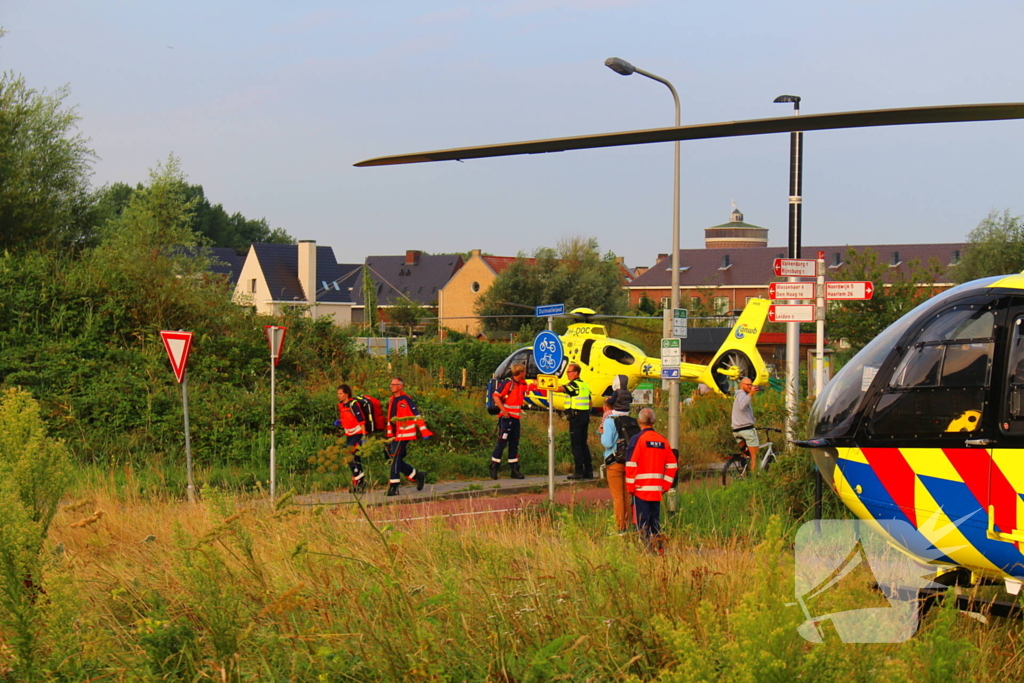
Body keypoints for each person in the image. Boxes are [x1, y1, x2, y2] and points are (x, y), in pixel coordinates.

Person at [625, 408, 677, 551]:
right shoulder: (662, 441)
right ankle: (659, 549)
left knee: (642, 523)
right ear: (653, 421)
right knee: (655, 522)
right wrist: (665, 486)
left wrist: (630, 488)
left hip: (641, 490)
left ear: (639, 421)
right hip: (657, 490)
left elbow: (630, 465)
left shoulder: (637, 440)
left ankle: (646, 550)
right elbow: (672, 465)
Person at [385, 377, 432, 496]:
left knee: (395, 458)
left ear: (401, 386)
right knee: (395, 459)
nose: (392, 386)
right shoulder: (391, 400)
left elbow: (416, 416)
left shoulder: (406, 400)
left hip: (404, 434)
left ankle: (394, 487)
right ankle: (417, 475)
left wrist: (424, 430)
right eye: (391, 384)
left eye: (394, 384)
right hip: (394, 435)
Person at [600, 397, 633, 534]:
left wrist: (601, 433)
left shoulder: (609, 421)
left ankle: (620, 528)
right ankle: (629, 524)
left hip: (614, 461)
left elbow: (607, 443)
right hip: (628, 461)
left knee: (617, 496)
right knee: (626, 495)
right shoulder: (630, 420)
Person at [490, 362, 527, 480]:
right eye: (524, 372)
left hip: (516, 419)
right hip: (506, 418)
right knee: (502, 443)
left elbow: (530, 388)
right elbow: (496, 395)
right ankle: (494, 466)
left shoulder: (522, 384)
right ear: (520, 373)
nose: (525, 373)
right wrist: (503, 410)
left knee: (514, 444)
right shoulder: (508, 383)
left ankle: (514, 468)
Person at [556, 363, 593, 480]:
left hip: (576, 418)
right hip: (584, 415)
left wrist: (543, 384)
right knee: (583, 444)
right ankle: (589, 471)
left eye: (569, 372)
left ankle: (579, 472)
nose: (567, 374)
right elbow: (590, 402)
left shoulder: (574, 385)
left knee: (576, 445)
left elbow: (559, 389)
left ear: (576, 373)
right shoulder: (584, 385)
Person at [335, 384, 368, 492]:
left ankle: (359, 481)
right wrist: (340, 422)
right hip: (349, 434)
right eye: (338, 394)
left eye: (341, 394)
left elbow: (361, 420)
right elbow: (348, 418)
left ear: (347, 394)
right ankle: (360, 482)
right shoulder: (342, 405)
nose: (338, 396)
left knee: (349, 455)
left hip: (357, 433)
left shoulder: (353, 404)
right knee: (355, 458)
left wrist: (363, 436)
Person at [732, 376, 760, 472]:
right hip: (746, 430)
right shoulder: (742, 394)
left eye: (751, 384)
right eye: (747, 384)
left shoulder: (739, 395)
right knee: (754, 457)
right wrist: (751, 393)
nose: (750, 386)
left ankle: (744, 474)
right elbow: (742, 406)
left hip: (737, 430)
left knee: (746, 455)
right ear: (741, 385)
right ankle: (754, 481)